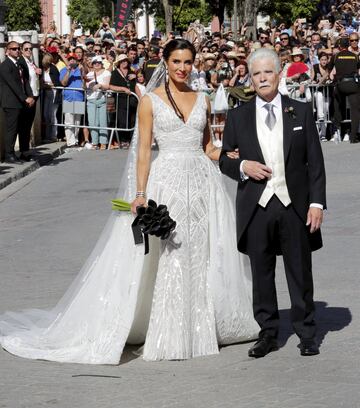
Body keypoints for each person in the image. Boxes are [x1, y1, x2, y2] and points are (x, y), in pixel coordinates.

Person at [0, 39, 258, 364]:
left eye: (188, 62)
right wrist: (140, 193)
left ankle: (201, 324)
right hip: (168, 184)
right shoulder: (150, 101)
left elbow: (208, 148)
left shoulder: (202, 99)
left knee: (200, 254)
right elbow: (144, 152)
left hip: (203, 186)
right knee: (171, 256)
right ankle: (171, 333)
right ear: (165, 62)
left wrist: (235, 158)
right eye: (176, 61)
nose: (182, 68)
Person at [220, 48, 326, 358]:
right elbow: (225, 159)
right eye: (256, 73)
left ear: (279, 74)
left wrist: (317, 203)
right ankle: (267, 333)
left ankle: (307, 332)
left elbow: (315, 163)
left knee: (299, 270)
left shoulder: (301, 111)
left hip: (293, 204)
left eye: (268, 72)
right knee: (261, 273)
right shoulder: (238, 115)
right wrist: (243, 167)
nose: (263, 77)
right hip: (256, 206)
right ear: (249, 79)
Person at [0, 41, 34, 164]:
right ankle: (9, 155)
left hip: (19, 102)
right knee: (11, 129)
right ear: (7, 51)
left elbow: (25, 82)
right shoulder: (5, 65)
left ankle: (18, 153)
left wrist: (30, 96)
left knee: (20, 128)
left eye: (18, 48)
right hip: (10, 103)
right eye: (13, 49)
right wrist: (25, 98)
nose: (17, 50)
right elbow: (13, 85)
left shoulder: (18, 64)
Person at [329, 37, 360, 144]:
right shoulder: (355, 56)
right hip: (353, 84)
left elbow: (330, 70)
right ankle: (353, 137)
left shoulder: (336, 55)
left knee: (336, 102)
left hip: (340, 84)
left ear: (339, 46)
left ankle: (337, 128)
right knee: (355, 111)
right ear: (348, 45)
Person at [17, 41, 41, 161]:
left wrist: (39, 72)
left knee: (28, 124)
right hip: (27, 97)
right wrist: (27, 96)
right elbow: (22, 82)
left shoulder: (31, 62)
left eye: (30, 49)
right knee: (24, 125)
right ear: (21, 50)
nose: (29, 51)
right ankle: (24, 151)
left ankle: (26, 149)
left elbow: (33, 78)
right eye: (26, 49)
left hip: (35, 95)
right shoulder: (21, 62)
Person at [85, 56, 111, 149]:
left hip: (102, 99)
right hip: (91, 99)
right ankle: (95, 142)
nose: (97, 64)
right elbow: (85, 86)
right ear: (92, 64)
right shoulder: (89, 74)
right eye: (95, 62)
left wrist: (100, 85)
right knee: (93, 122)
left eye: (99, 62)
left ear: (102, 63)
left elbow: (107, 86)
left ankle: (103, 142)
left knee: (103, 122)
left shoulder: (106, 72)